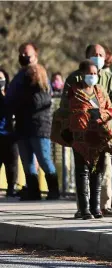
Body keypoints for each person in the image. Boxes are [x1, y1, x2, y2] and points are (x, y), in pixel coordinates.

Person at [52, 60, 112, 220]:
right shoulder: (74, 91)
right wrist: (80, 117)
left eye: (95, 74)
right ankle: (84, 209)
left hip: (98, 138)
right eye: (89, 73)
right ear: (82, 75)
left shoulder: (100, 91)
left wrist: (102, 115)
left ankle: (96, 208)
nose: (92, 76)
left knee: (97, 173)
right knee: (82, 173)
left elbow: (111, 108)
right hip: (80, 138)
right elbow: (67, 110)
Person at [6, 43, 59, 201]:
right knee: (27, 160)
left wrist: (20, 101)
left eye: (27, 53)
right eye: (21, 53)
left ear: (35, 55)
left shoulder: (39, 73)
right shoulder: (19, 76)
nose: (23, 56)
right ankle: (33, 190)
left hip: (39, 125)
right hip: (22, 124)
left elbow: (41, 100)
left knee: (44, 158)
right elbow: (10, 98)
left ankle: (54, 190)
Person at [0, 68, 19, 197]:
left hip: (10, 134)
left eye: (1, 78)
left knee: (11, 162)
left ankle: (11, 188)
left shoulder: (11, 94)